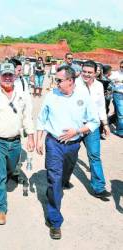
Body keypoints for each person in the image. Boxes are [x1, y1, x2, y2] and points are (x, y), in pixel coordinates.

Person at [36, 65, 99, 239]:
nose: (56, 83)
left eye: (59, 80)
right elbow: (42, 119)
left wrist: (77, 131)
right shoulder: (51, 95)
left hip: (73, 145)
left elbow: (94, 122)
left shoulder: (83, 97)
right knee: (54, 179)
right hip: (54, 144)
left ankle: (63, 182)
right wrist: (39, 139)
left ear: (70, 81)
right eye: (56, 79)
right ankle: (55, 220)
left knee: (63, 176)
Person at [0, 63, 35, 225]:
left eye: (10, 75)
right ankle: (0, 208)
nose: (8, 78)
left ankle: (10, 173)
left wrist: (30, 136)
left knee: (10, 169)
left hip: (15, 142)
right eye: (5, 75)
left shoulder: (22, 94)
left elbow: (27, 117)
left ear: (15, 76)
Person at [75, 60, 112, 198]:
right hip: (76, 125)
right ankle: (63, 180)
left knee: (95, 156)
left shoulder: (99, 86)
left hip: (93, 126)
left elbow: (101, 106)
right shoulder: (74, 83)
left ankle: (99, 187)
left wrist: (106, 124)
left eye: (89, 72)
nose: (86, 74)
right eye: (84, 71)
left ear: (95, 73)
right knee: (69, 156)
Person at [110, 60, 123, 137]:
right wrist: (114, 81)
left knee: (119, 113)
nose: (122, 68)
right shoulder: (116, 73)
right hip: (118, 94)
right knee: (121, 114)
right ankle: (120, 131)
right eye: (121, 66)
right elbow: (109, 79)